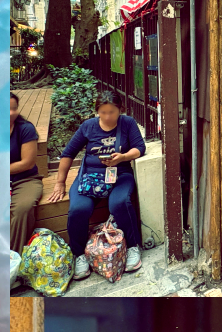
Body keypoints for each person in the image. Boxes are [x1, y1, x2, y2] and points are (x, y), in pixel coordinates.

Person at [43, 92, 146, 279]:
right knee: (78, 209)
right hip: (90, 177)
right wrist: (59, 183)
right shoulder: (88, 126)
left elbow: (140, 148)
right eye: (103, 112)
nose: (108, 117)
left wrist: (123, 157)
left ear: (120, 110)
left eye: (112, 112)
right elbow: (68, 154)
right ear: (97, 111)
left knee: (119, 203)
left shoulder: (127, 123)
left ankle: (133, 247)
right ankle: (79, 255)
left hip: (120, 175)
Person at [9, 92, 44, 252]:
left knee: (22, 208)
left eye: (14, 108)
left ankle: (13, 258)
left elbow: (28, 163)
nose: (11, 113)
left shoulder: (25, 129)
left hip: (25, 179)